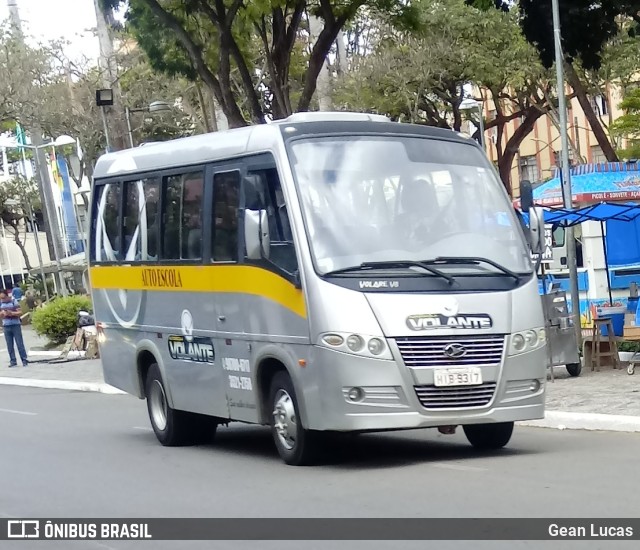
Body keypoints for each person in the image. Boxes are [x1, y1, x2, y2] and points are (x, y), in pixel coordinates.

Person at [0, 290, 28, 367]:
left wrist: (11, 313)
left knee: (19, 343)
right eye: (1, 298)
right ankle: (13, 361)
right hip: (6, 326)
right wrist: (2, 314)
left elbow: (20, 312)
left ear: (7, 296)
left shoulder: (13, 301)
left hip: (15, 325)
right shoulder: (0, 303)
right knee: (9, 345)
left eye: (4, 297)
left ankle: (24, 360)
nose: (3, 299)